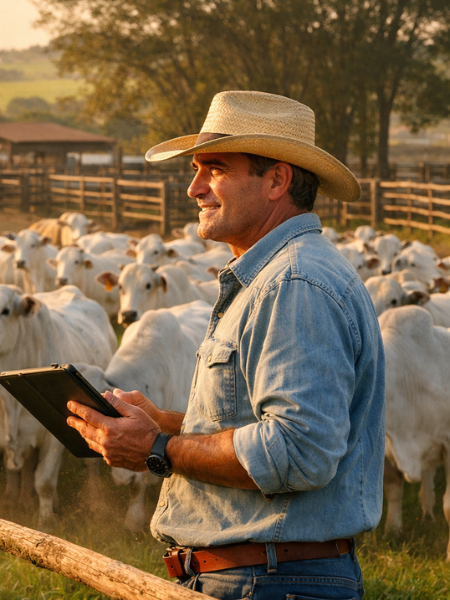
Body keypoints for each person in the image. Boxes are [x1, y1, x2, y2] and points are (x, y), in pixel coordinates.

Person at [66, 91, 384, 600]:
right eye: (195, 170)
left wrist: (157, 449)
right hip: (261, 575)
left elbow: (298, 451)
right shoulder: (274, 278)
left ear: (277, 180)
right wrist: (163, 422)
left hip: (268, 580)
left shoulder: (293, 285)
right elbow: (262, 426)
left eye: (214, 169)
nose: (194, 189)